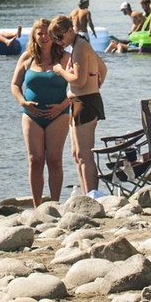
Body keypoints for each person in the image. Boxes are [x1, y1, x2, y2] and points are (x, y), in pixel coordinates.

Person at [8, 19, 74, 207]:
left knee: (54, 159)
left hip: (59, 114)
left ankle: (54, 205)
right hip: (31, 115)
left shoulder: (65, 58)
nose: (43, 37)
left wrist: (62, 106)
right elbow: (15, 85)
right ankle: (38, 206)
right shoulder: (26, 57)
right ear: (34, 36)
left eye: (47, 33)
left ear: (53, 36)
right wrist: (23, 103)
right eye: (40, 33)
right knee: (34, 160)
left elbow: (79, 85)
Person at [54, 15, 108, 197]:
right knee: (77, 154)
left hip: (85, 102)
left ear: (70, 31)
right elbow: (103, 69)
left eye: (60, 37)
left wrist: (61, 70)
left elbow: (78, 80)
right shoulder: (79, 45)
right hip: (81, 101)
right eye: (55, 39)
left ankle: (92, 195)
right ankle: (87, 194)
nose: (58, 42)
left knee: (84, 154)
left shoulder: (80, 47)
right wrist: (96, 84)